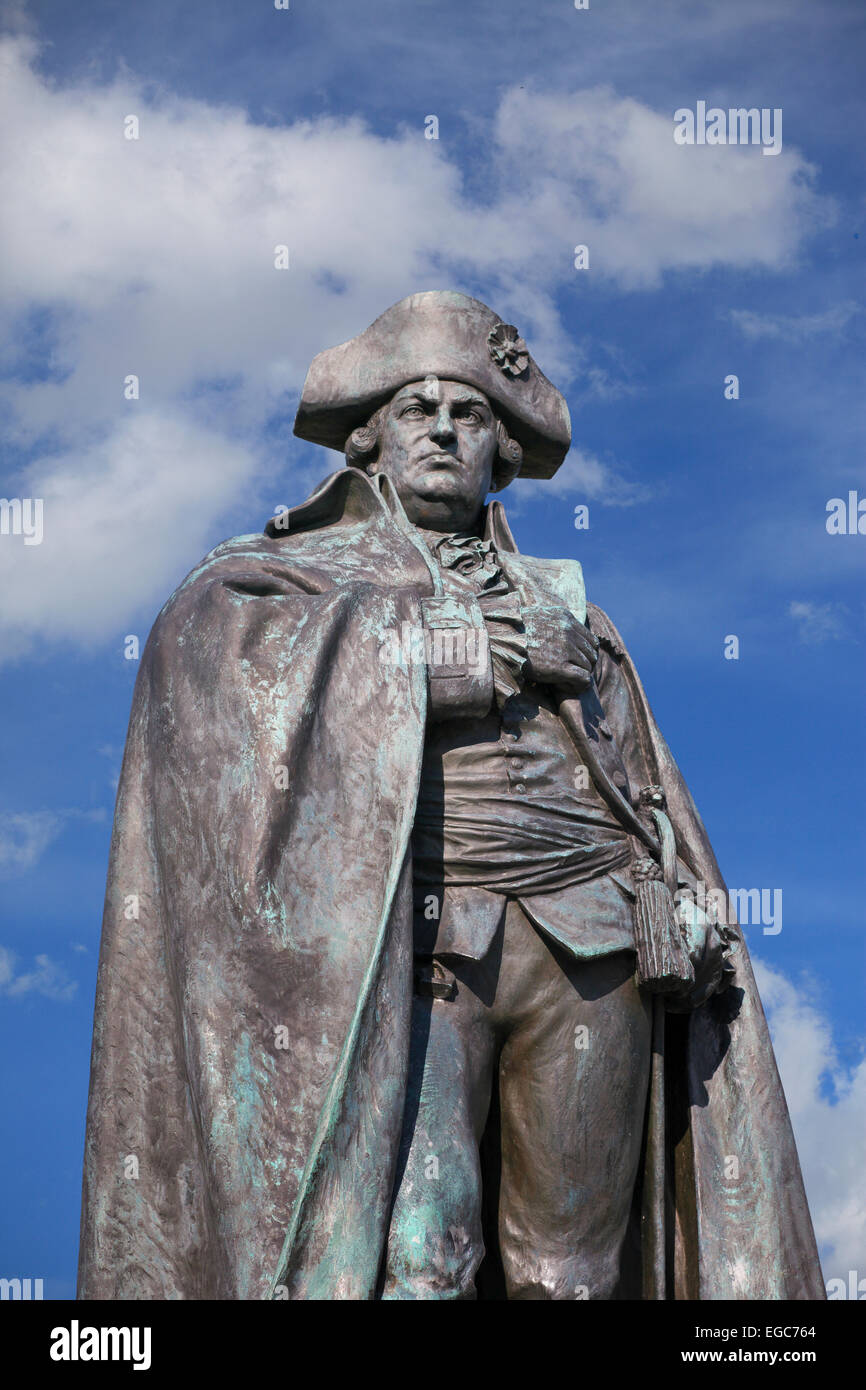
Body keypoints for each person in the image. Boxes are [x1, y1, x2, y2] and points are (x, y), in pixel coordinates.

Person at [78, 292, 823, 1300]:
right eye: (414, 409)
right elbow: (206, 665)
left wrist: (676, 890)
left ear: (498, 449)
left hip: (588, 942)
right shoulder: (276, 578)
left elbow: (636, 784)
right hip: (416, 943)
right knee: (425, 1256)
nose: (439, 429)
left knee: (572, 1274)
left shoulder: (574, 608)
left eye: (466, 414)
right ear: (368, 440)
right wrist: (458, 660)